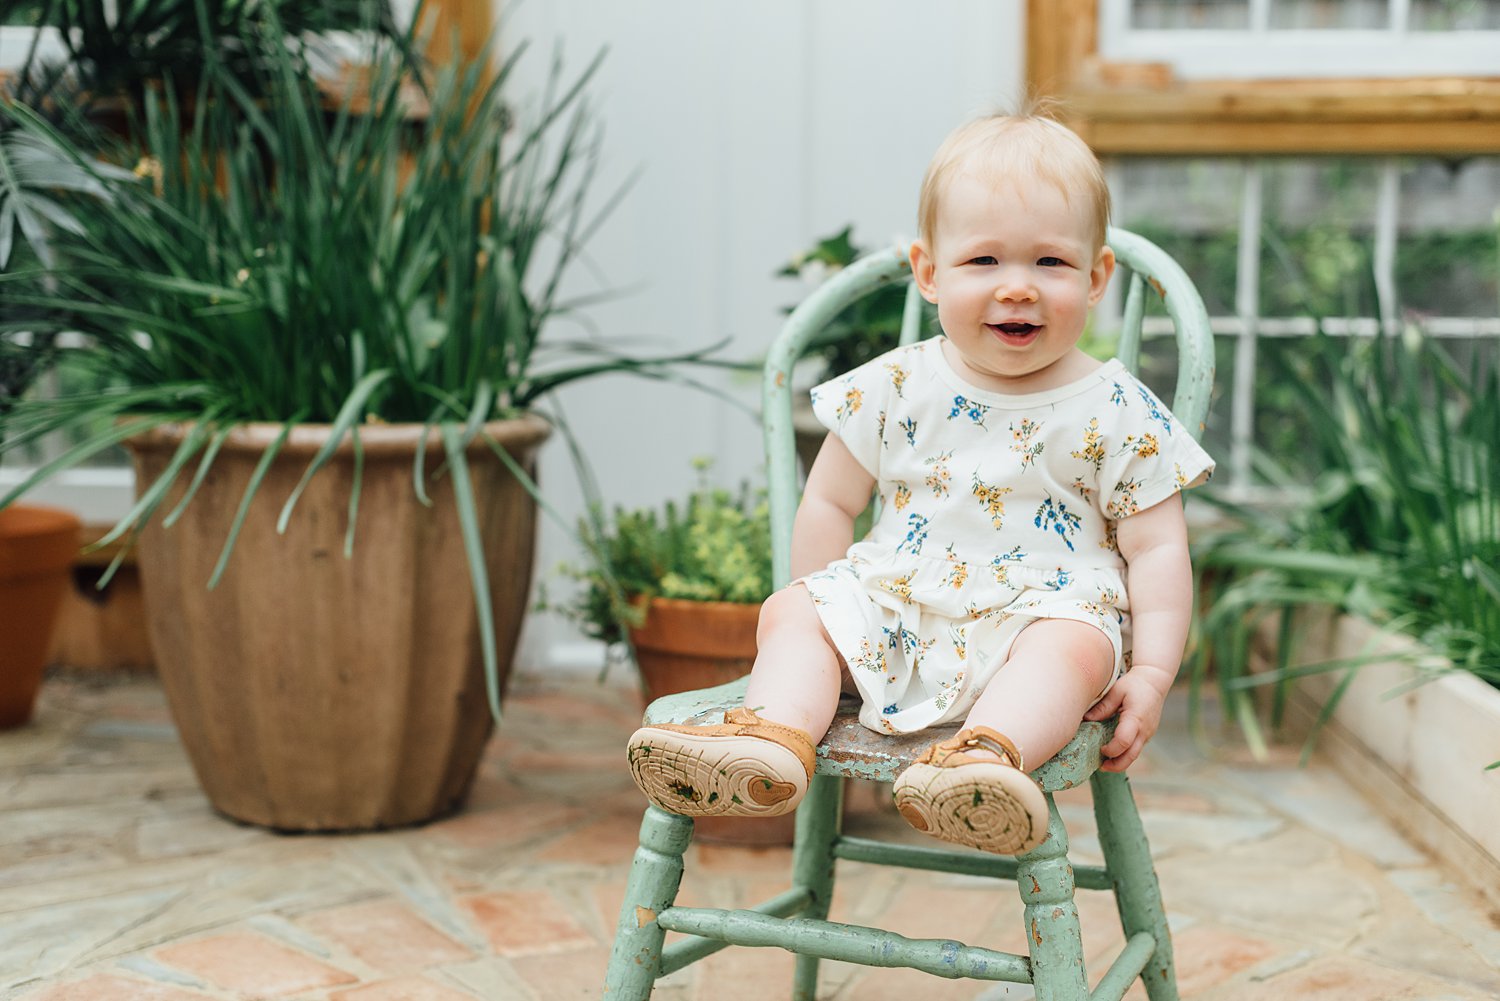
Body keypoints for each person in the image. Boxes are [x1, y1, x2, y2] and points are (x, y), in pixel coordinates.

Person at [625, 110, 1215, 856]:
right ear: (929, 272)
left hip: (1038, 619)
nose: (1018, 289)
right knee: (795, 609)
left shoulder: (1117, 408)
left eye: (1051, 264)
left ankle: (982, 763)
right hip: (898, 608)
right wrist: (830, 619)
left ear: (1096, 278)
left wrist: (1155, 672)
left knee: (1070, 649)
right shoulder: (895, 385)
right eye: (985, 261)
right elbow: (830, 500)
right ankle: (772, 740)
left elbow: (1159, 550)